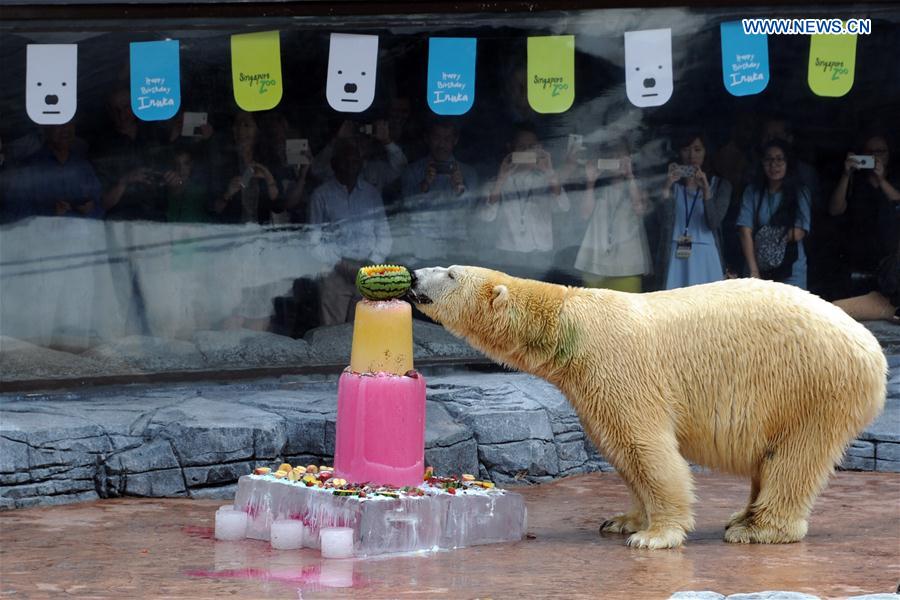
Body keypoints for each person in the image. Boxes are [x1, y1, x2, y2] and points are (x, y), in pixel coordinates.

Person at [309, 138, 392, 325]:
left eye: (355, 161)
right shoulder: (321, 195)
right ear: (333, 164)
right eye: (344, 160)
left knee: (365, 332)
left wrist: (372, 263)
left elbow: (384, 235)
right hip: (334, 273)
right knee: (332, 336)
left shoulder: (371, 194)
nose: (350, 166)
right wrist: (340, 264)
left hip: (368, 271)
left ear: (361, 164)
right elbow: (313, 241)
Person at [478, 123, 569, 279]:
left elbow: (564, 206)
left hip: (541, 253)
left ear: (539, 149)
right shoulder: (495, 182)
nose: (527, 151)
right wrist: (501, 179)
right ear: (511, 149)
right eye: (522, 147)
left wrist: (549, 171)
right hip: (509, 253)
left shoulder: (546, 179)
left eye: (531, 147)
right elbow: (486, 216)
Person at [657, 132, 731, 290]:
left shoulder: (720, 185)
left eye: (697, 150)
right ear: (679, 152)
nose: (692, 155)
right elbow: (664, 222)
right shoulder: (673, 184)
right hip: (676, 252)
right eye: (686, 149)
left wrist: (706, 191)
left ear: (706, 152)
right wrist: (666, 187)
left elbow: (714, 222)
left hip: (706, 254)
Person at [828, 133, 900, 296]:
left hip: (889, 265)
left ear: (889, 154)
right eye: (869, 151)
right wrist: (847, 175)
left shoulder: (895, 180)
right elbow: (835, 210)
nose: (874, 156)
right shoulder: (855, 181)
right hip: (856, 262)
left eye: (880, 151)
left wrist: (881, 180)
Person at [399, 120, 479, 265]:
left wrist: (460, 187)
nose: (441, 144)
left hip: (457, 251)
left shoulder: (469, 174)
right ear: (427, 138)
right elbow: (406, 209)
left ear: (455, 140)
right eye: (437, 138)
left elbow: (472, 214)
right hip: (422, 252)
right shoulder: (412, 172)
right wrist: (425, 185)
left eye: (447, 139)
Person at [574, 142, 651, 292]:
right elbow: (584, 214)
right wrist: (590, 182)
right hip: (594, 259)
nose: (615, 160)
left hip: (627, 262)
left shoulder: (637, 184)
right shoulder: (598, 185)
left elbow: (640, 208)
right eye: (611, 157)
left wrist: (629, 176)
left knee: (626, 310)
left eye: (620, 157)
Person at [737, 139, 812, 288]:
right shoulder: (752, 192)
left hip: (791, 270)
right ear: (762, 163)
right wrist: (753, 270)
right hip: (757, 265)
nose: (774, 165)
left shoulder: (800, 192)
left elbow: (798, 232)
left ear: (788, 162)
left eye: (780, 159)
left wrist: (763, 235)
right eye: (769, 160)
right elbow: (744, 230)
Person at [3, 122, 103, 221]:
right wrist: (50, 213)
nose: (65, 129)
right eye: (58, 124)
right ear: (45, 128)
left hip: (85, 234)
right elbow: (12, 214)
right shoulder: (28, 169)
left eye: (69, 123)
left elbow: (101, 209)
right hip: (41, 236)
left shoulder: (84, 167)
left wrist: (90, 211)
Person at [212, 111, 282, 224]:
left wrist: (270, 180)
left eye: (246, 125)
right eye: (237, 125)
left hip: (261, 237)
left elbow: (279, 207)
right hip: (231, 235)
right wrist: (227, 194)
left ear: (257, 131)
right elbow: (213, 210)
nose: (241, 130)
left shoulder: (268, 160)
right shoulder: (223, 163)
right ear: (233, 130)